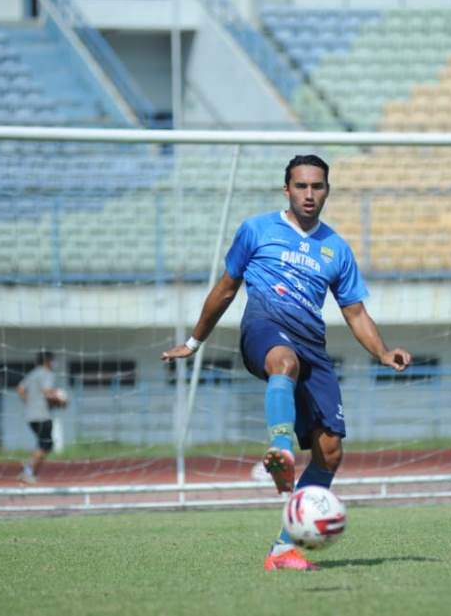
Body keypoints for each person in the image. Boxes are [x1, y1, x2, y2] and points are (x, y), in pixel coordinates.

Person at [161, 154, 411, 572]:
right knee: (284, 362)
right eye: (301, 186)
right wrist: (193, 341)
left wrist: (383, 353)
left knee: (330, 452)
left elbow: (355, 313)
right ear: (287, 189)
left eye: (317, 187)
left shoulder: (336, 248)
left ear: (327, 190)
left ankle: (281, 550)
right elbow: (225, 290)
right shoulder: (256, 230)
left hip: (312, 345)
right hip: (264, 328)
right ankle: (279, 448)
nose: (309, 194)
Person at [17, 350, 62, 484]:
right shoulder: (47, 373)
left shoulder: (32, 373)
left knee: (44, 444)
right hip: (42, 415)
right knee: (45, 444)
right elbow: (48, 392)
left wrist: (29, 403)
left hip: (30, 416)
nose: (54, 363)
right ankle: (28, 471)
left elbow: (20, 389)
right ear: (48, 361)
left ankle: (28, 465)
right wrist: (61, 400)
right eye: (53, 360)